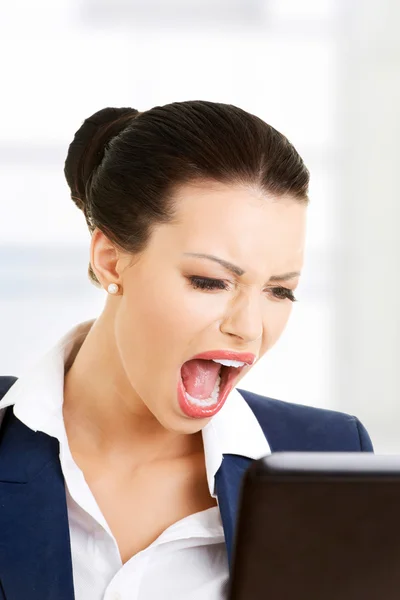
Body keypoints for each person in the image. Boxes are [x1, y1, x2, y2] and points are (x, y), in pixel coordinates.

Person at [0, 101, 373, 600]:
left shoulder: (331, 462)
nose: (249, 328)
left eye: (279, 291)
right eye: (210, 281)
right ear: (111, 260)